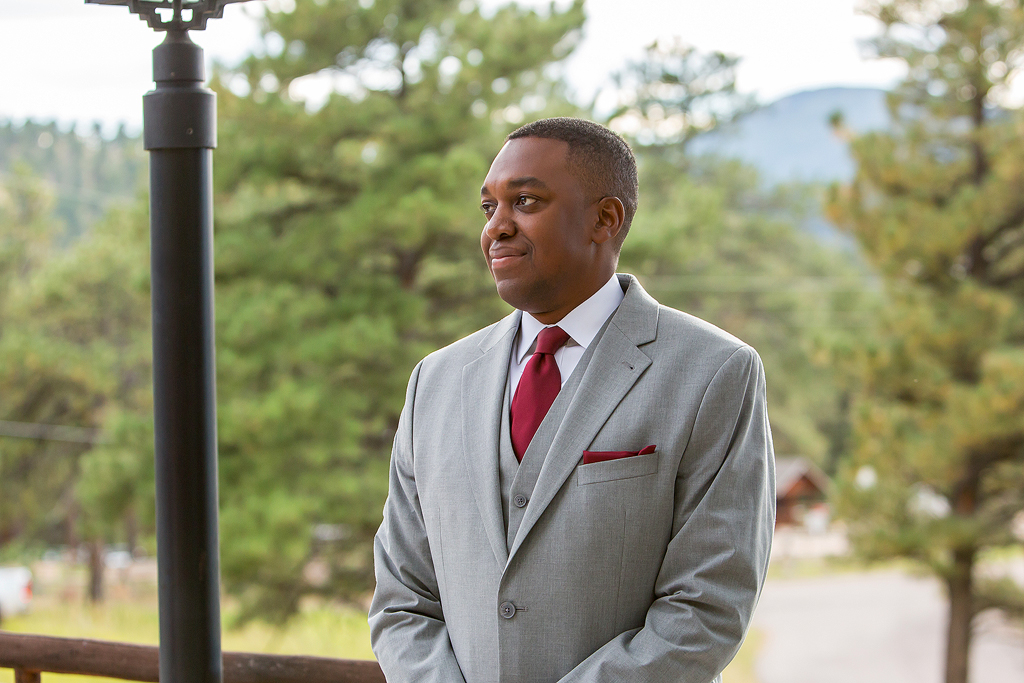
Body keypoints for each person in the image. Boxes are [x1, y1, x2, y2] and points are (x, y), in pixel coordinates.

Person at [369, 117, 775, 683]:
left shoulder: (714, 372)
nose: (496, 229)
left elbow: (707, 606)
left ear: (604, 219)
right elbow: (401, 599)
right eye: (489, 209)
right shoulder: (434, 382)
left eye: (526, 201)